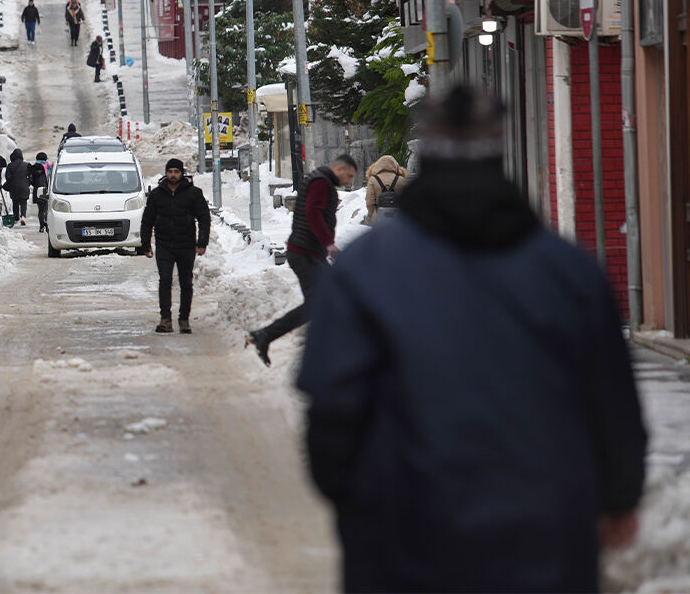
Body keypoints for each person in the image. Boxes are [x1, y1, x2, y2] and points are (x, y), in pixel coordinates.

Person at [296, 86, 647, 592]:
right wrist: (618, 495)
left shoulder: (364, 272)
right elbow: (611, 398)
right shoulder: (567, 273)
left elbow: (332, 409)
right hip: (544, 530)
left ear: (429, 155)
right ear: (500, 150)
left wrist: (360, 500)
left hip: (402, 532)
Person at [247, 154, 358, 365]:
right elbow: (313, 213)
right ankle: (278, 339)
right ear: (339, 168)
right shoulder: (321, 183)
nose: (349, 181)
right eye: (349, 176)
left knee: (326, 299)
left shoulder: (320, 180)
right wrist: (328, 243)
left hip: (309, 252)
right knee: (319, 302)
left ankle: (271, 336)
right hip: (305, 253)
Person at [140, 159, 211, 333]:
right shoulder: (157, 195)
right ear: (166, 173)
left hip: (186, 244)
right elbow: (147, 220)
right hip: (164, 244)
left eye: (176, 171)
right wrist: (146, 243)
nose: (173, 175)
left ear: (181, 173)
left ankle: (184, 320)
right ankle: (165, 320)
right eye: (170, 171)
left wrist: (202, 242)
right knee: (164, 280)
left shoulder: (193, 193)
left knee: (186, 282)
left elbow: (204, 218)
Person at [364, 154, 407, 224]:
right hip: (398, 218)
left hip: (379, 218)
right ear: (396, 165)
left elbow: (370, 202)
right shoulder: (401, 180)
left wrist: (373, 217)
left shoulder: (373, 180)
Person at [2, 149, 32, 226]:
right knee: (23, 202)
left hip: (14, 187)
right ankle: (23, 216)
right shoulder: (26, 165)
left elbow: (7, 177)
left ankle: (16, 218)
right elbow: (31, 176)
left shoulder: (10, 165)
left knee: (15, 202)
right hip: (24, 187)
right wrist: (27, 183)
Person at [30, 152, 51, 232]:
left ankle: (41, 226)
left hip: (37, 189)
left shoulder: (34, 166)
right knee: (46, 208)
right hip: (47, 188)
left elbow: (31, 180)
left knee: (41, 209)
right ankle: (47, 224)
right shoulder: (49, 165)